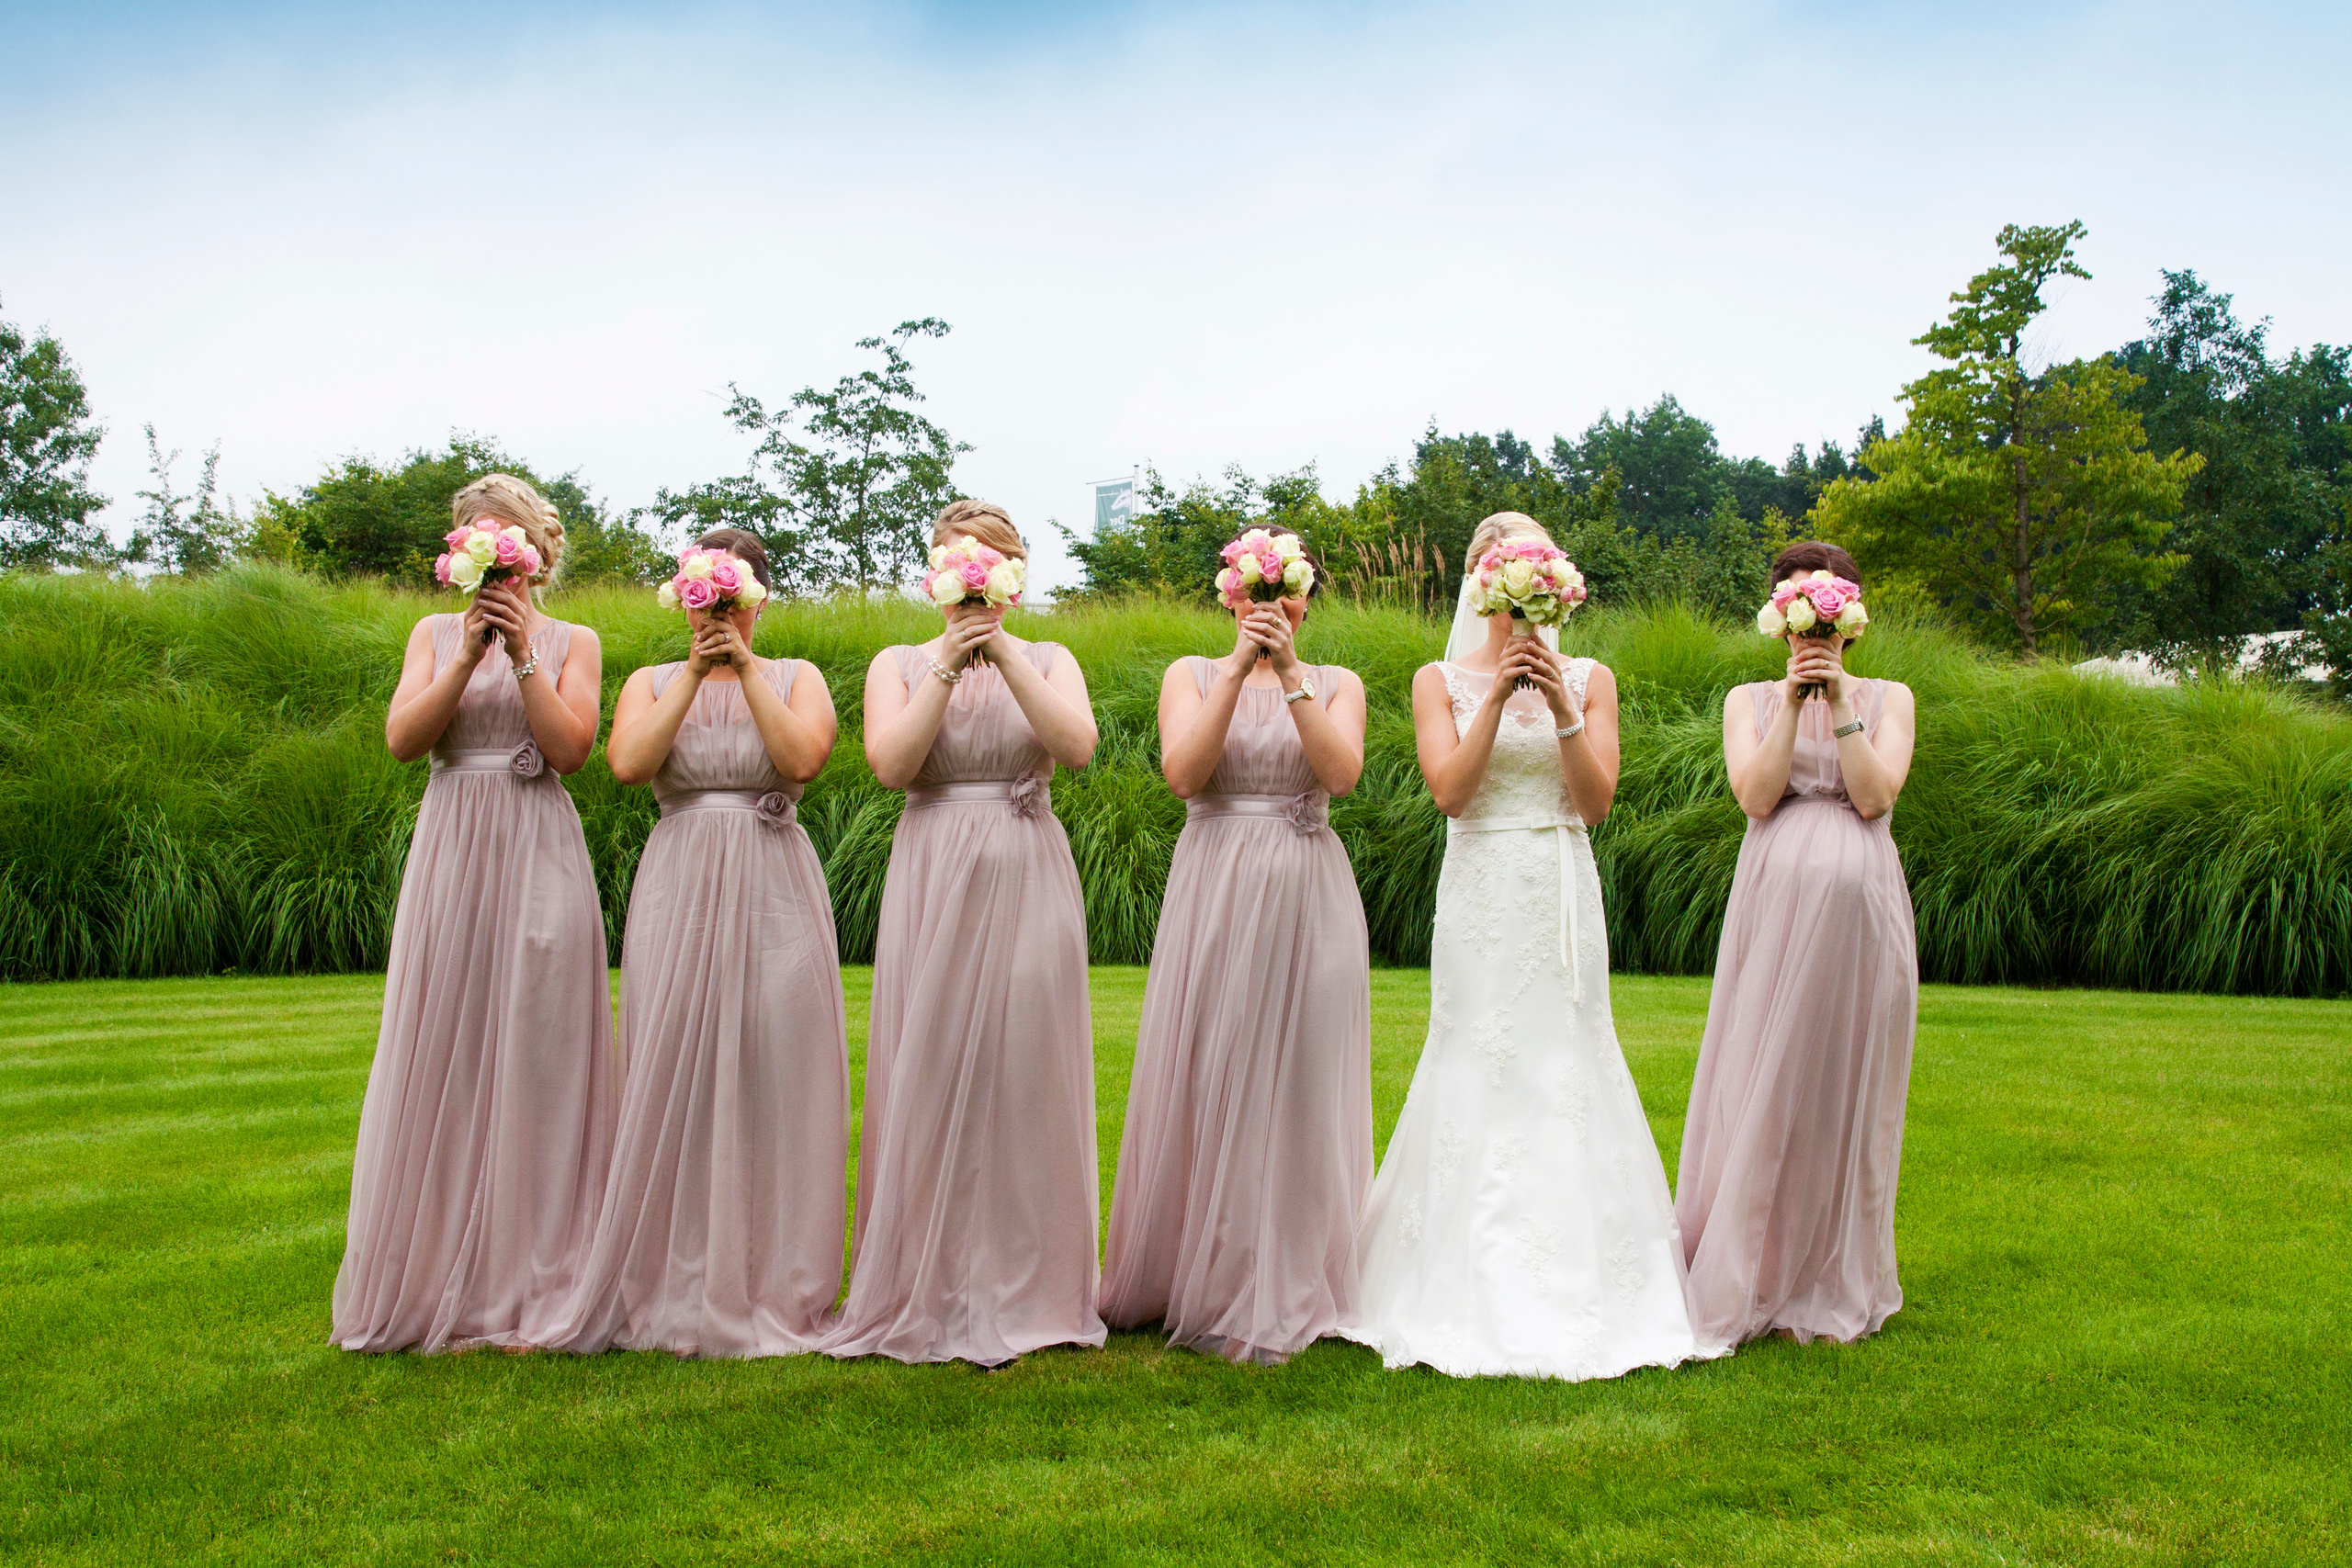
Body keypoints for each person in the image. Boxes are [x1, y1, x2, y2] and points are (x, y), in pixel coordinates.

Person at [1347, 512, 1713, 1380]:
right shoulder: (1437, 680)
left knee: (1566, 1056)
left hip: (1558, 881)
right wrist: (1495, 701)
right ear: (1482, 586)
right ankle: (1460, 1277)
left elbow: (1595, 802)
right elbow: (1451, 792)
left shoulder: (1591, 678)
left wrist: (1558, 705)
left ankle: (1588, 1275)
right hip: (1480, 885)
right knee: (1476, 1053)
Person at [333, 473, 616, 1353]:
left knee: (540, 1048)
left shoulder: (576, 641)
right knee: (446, 1040)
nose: (492, 558)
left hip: (538, 847)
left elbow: (570, 749)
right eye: (475, 538)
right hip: (453, 848)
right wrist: (464, 655)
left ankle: (539, 1276)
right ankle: (433, 1270)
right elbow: (402, 741)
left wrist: (523, 651)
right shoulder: (429, 634)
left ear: (533, 551)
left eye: (504, 539)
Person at [550, 529, 848, 1358]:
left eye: (731, 597)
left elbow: (802, 758)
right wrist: (690, 671)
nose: (716, 611)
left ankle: (774, 1276)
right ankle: (672, 1273)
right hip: (679, 880)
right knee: (671, 1059)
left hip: (773, 883)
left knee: (775, 1065)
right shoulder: (649, 682)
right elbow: (628, 763)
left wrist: (745, 668)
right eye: (703, 596)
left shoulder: (796, 677)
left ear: (758, 599)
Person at [823, 500, 1104, 1366]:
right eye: (955, 562)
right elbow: (892, 764)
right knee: (934, 1061)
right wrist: (948, 661)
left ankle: (1032, 1285)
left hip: (1026, 868)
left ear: (1013, 578)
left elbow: (1077, 747)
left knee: (1025, 1066)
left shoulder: (1050, 658)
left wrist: (1005, 653)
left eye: (986, 563)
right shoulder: (898, 663)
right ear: (934, 577)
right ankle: (932, 1280)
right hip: (935, 867)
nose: (971, 578)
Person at [1101, 531, 1373, 1364]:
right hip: (1214, 885)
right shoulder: (1190, 675)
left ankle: (1286, 1270)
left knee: (1300, 1075)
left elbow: (1341, 774)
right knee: (1209, 1061)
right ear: (1231, 596)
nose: (1272, 606)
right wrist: (1235, 673)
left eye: (1287, 592)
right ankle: (1195, 1268)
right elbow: (1184, 773)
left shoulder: (1337, 683)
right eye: (1256, 592)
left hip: (1307, 889)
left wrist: (1289, 675)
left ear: (1306, 600)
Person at [1676, 541, 1918, 1347]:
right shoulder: (1746, 700)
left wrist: (1840, 699)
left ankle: (1830, 1270)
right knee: (1760, 1072)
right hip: (1773, 909)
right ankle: (1751, 1265)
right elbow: (1755, 794)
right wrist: (1790, 703)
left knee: (1843, 1083)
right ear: (1778, 618)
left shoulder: (1890, 698)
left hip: (1861, 917)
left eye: (1823, 614)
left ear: (1851, 618)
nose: (1811, 631)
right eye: (1797, 612)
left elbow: (1875, 796)